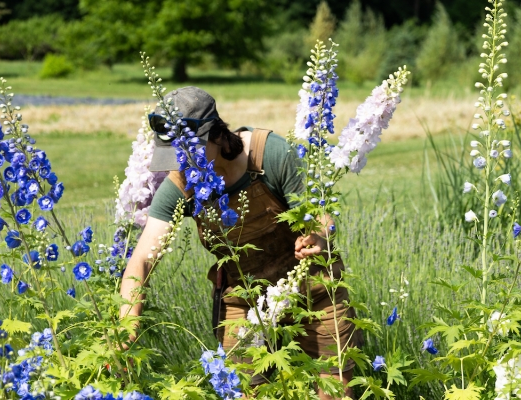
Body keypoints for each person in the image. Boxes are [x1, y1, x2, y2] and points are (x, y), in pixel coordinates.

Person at [119, 86, 359, 400]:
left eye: (188, 152)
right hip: (246, 305)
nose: (180, 165)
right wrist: (127, 323)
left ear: (217, 136)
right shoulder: (181, 184)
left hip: (314, 293)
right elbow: (142, 260)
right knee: (242, 392)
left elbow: (322, 219)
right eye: (173, 154)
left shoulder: (270, 154)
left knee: (334, 393)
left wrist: (317, 237)